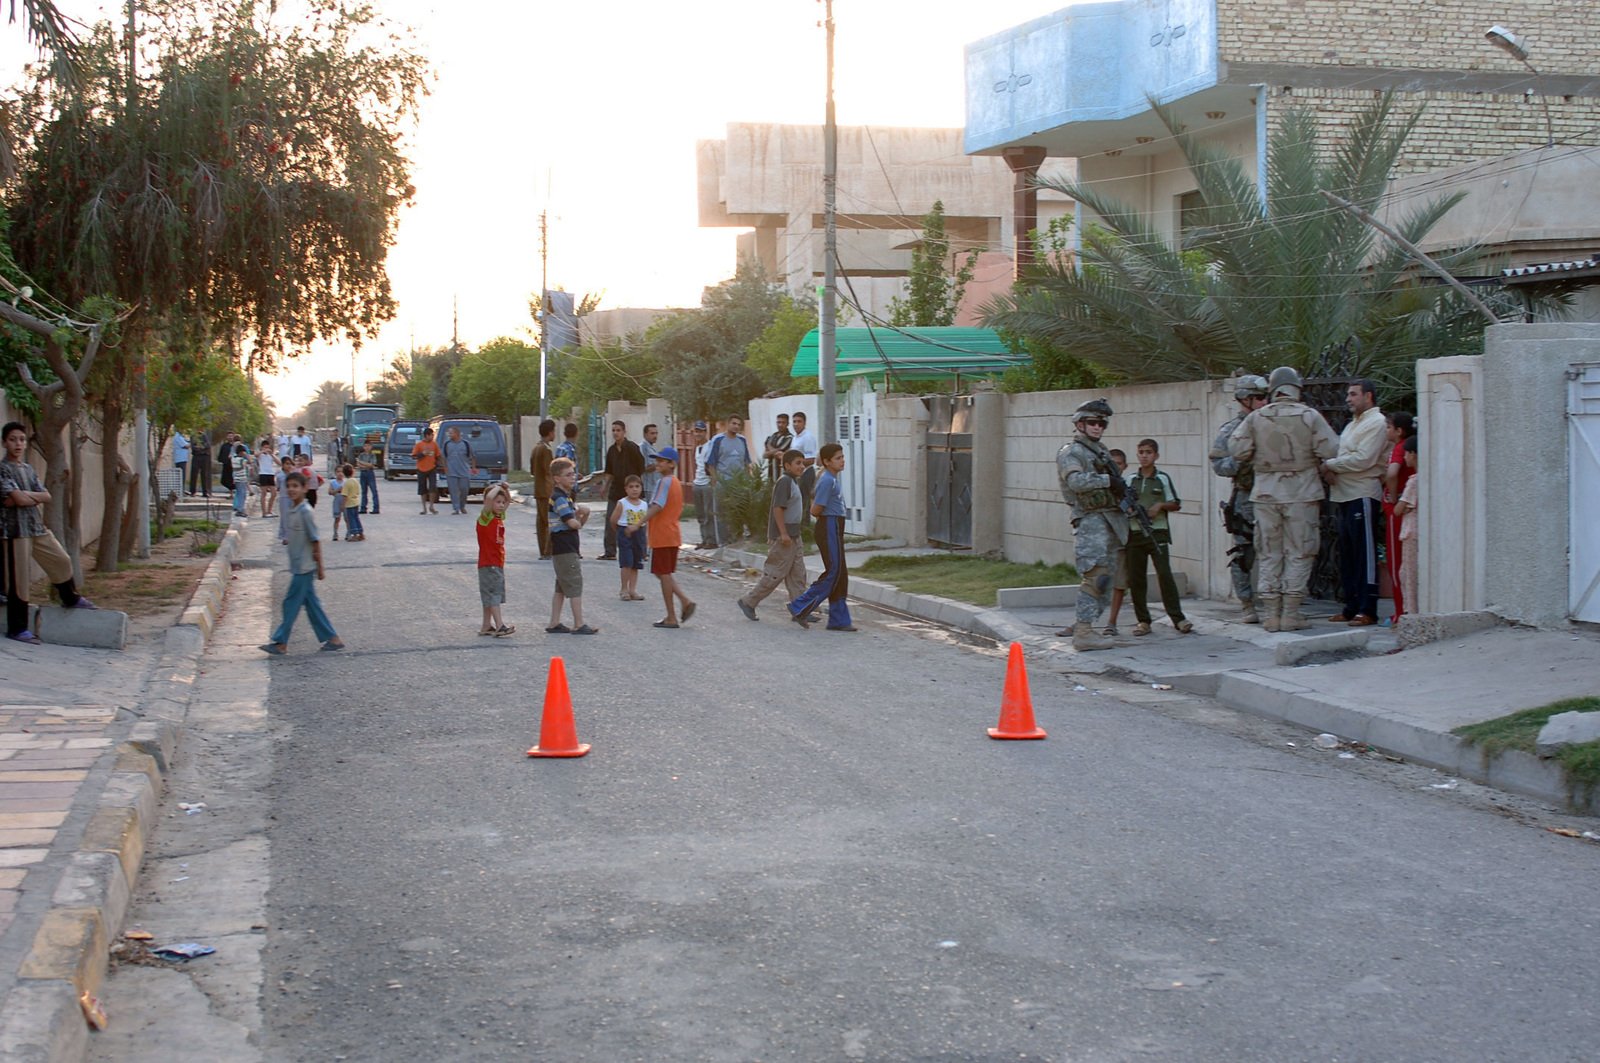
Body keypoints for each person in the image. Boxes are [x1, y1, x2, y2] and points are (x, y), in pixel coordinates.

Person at [1228, 366, 1340, 631]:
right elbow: (1331, 448)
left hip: (1265, 493)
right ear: (1297, 388)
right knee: (1300, 552)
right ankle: (1291, 613)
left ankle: (1271, 615)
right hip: (1303, 492)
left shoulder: (1257, 417)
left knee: (1269, 552)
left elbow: (1236, 448)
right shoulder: (1310, 416)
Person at [2, 421, 96, 645]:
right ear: (4, 443)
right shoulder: (3, 468)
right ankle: (17, 629)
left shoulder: (28, 469)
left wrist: (22, 497)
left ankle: (69, 598)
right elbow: (21, 499)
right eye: (13, 439)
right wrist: (24, 497)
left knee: (61, 560)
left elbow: (46, 496)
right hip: (16, 532)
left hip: (36, 527)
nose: (18, 444)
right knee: (19, 583)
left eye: (22, 440)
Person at [1055, 399, 1128, 650]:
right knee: (1096, 577)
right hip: (1090, 519)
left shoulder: (1100, 451)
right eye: (1092, 423)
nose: (1098, 427)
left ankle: (1087, 627)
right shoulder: (1071, 452)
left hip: (1109, 519)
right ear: (1079, 424)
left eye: (1102, 423)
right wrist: (1108, 480)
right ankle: (1083, 632)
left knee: (1105, 580)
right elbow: (1076, 482)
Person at [1319, 379, 1387, 626]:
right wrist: (1332, 466)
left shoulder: (1376, 423)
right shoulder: (1351, 426)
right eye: (1348, 394)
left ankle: (1367, 608)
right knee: (1347, 554)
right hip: (1344, 494)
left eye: (1353, 394)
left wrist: (1331, 466)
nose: (1348, 399)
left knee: (1364, 555)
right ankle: (1350, 607)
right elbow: (1342, 454)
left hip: (1363, 493)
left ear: (1368, 396)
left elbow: (1363, 459)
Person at [259, 471, 344, 655]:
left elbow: (315, 540)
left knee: (290, 604)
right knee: (312, 605)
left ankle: (281, 642)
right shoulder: (291, 509)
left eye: (295, 486)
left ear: (305, 488)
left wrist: (320, 568)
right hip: (297, 566)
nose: (291, 490)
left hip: (305, 567)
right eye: (288, 486)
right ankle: (332, 638)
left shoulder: (305, 511)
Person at [1211, 374, 1270, 623]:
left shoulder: (1273, 423)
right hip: (1247, 496)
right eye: (1257, 397)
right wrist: (1240, 459)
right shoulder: (1231, 429)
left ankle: (1276, 603)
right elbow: (1218, 464)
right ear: (1244, 400)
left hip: (1274, 495)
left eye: (1264, 397)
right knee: (1244, 551)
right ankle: (1247, 603)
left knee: (1276, 551)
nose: (1262, 402)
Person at [1126, 439, 1193, 636]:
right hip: (1135, 533)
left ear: (1156, 456)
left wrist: (1159, 506)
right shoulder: (1131, 480)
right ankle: (1143, 621)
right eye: (1141, 452)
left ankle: (1178, 618)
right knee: (1136, 579)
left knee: (1164, 575)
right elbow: (1122, 501)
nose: (1144, 455)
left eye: (1148, 452)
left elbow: (1176, 503)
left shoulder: (1162, 478)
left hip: (1157, 532)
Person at [789, 442, 853, 631]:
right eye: (838, 458)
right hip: (828, 526)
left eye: (842, 457)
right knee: (834, 572)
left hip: (835, 527)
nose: (842, 461)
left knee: (840, 574)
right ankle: (800, 606)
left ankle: (838, 619)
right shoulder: (827, 480)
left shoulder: (832, 479)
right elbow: (816, 510)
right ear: (826, 462)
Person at [738, 449, 808, 622]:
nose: (802, 466)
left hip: (794, 534)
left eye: (803, 463)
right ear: (787, 465)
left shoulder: (793, 482)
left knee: (798, 574)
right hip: (785, 537)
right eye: (798, 463)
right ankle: (749, 601)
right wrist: (782, 534)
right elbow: (778, 508)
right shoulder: (784, 482)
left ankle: (800, 608)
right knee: (775, 573)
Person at [644, 446, 695, 628]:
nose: (657, 463)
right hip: (670, 533)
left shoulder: (664, 482)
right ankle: (684, 600)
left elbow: (657, 506)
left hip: (662, 534)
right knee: (661, 572)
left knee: (663, 574)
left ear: (671, 464)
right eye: (657, 460)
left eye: (661, 461)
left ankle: (671, 616)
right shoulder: (675, 483)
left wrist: (638, 523)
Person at [546, 457, 597, 634]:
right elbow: (572, 524)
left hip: (563, 547)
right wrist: (581, 515)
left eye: (573, 473)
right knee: (574, 584)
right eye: (567, 475)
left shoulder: (564, 498)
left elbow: (575, 522)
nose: (572, 477)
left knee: (561, 586)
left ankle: (554, 622)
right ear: (556, 478)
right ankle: (579, 623)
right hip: (565, 547)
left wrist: (581, 515)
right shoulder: (559, 498)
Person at [1383, 411, 1416, 621]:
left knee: (1396, 564)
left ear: (1399, 431)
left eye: (1388, 427)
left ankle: (1399, 613)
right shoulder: (1404, 446)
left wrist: (1393, 498)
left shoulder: (1399, 448)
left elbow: (1392, 473)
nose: (1386, 430)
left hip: (1398, 512)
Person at [705, 414, 754, 546]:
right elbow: (711, 463)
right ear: (728, 424)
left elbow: (746, 462)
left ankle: (736, 538)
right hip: (722, 482)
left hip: (738, 483)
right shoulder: (718, 440)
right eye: (734, 423)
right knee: (721, 513)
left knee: (738, 511)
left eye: (739, 424)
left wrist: (748, 480)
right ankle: (722, 541)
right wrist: (715, 480)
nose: (736, 426)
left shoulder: (742, 440)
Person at [599, 421, 644, 560]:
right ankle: (610, 551)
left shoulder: (632, 448)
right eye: (613, 430)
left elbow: (640, 468)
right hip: (616, 490)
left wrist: (635, 487)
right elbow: (609, 471)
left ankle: (639, 550)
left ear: (624, 432)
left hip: (630, 491)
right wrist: (604, 486)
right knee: (611, 520)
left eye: (618, 430)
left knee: (633, 520)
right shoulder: (612, 450)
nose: (615, 433)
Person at [477, 482, 513, 636]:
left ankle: (486, 625)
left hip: (496, 562)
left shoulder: (498, 517)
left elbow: (508, 502)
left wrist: (505, 490)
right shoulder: (485, 518)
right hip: (489, 563)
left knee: (489, 594)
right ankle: (499, 625)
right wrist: (498, 486)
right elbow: (490, 497)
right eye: (497, 502)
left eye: (502, 502)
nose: (501, 505)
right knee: (494, 595)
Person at [1102, 449, 1130, 636]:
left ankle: (1112, 622)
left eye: (1119, 464)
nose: (1116, 467)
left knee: (1119, 584)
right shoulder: (1099, 487)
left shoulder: (1127, 487)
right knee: (1094, 583)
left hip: (1120, 540)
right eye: (1113, 463)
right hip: (1100, 542)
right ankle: (1083, 622)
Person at [610, 474, 649, 602]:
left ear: (641, 488)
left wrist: (645, 538)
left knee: (636, 563)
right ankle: (624, 589)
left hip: (639, 534)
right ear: (626, 489)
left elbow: (645, 522)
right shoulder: (622, 503)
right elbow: (613, 520)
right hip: (625, 533)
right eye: (631, 487)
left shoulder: (644, 504)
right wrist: (620, 532)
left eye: (637, 486)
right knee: (626, 562)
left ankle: (633, 589)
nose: (634, 489)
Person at [1393, 436, 1420, 617]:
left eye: (1406, 454)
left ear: (1413, 454)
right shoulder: (1425, 479)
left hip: (1411, 532)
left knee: (1408, 576)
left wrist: (1393, 500)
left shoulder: (1414, 481)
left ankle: (1411, 613)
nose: (1404, 458)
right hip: (1418, 531)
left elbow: (1398, 509)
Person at [790, 410, 819, 534]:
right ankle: (799, 527)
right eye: (794, 421)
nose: (796, 424)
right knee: (797, 501)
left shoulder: (807, 437)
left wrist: (795, 466)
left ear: (804, 423)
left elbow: (811, 459)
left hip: (806, 473)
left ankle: (805, 528)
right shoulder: (795, 438)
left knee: (804, 501)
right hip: (797, 474)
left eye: (799, 421)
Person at [531, 419, 556, 559]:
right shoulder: (546, 449)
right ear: (550, 432)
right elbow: (548, 471)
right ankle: (547, 551)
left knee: (541, 521)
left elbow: (533, 470)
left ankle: (543, 550)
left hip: (538, 489)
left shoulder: (536, 447)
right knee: (548, 521)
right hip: (547, 490)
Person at [691, 422, 716, 548]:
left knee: (708, 512)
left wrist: (713, 480)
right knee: (700, 513)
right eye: (696, 431)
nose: (698, 434)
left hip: (706, 482)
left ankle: (711, 539)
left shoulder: (710, 445)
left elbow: (711, 465)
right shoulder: (697, 447)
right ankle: (704, 538)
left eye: (700, 431)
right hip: (697, 482)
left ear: (705, 432)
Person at [441, 425, 476, 515]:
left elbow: (473, 457)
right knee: (453, 491)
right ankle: (456, 508)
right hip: (451, 472)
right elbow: (443, 457)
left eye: (451, 433)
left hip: (464, 471)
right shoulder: (447, 444)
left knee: (464, 489)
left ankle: (462, 506)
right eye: (449, 433)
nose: (449, 434)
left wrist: (473, 468)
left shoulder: (466, 444)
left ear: (457, 433)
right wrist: (445, 468)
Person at [412, 427, 441, 514]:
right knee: (422, 489)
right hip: (421, 469)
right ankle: (424, 508)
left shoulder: (434, 445)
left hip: (432, 468)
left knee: (433, 487)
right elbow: (414, 456)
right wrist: (422, 454)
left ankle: (431, 506)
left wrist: (441, 465)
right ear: (427, 435)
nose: (432, 437)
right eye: (431, 435)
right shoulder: (419, 445)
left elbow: (438, 455)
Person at [763, 413, 793, 484]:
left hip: (782, 473)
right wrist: (773, 451)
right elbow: (764, 455)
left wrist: (769, 446)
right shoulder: (773, 436)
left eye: (783, 422)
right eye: (778, 422)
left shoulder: (789, 437)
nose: (780, 425)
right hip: (770, 473)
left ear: (787, 423)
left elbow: (780, 450)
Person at [340, 464, 364, 541]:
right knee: (356, 518)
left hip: (349, 504)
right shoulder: (355, 481)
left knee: (351, 519)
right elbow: (358, 492)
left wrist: (342, 505)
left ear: (344, 473)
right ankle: (361, 534)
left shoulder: (347, 483)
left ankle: (354, 535)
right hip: (356, 502)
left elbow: (345, 495)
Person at [256, 439, 280, 518]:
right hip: (263, 474)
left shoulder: (271, 455)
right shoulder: (260, 455)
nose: (267, 449)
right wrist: (263, 451)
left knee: (274, 493)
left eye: (268, 447)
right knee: (264, 493)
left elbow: (279, 463)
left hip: (270, 474)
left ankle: (269, 510)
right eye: (265, 447)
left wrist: (272, 454)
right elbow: (256, 455)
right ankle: (264, 512)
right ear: (262, 447)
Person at [639, 423, 663, 503]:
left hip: (654, 485)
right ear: (645, 435)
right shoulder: (643, 447)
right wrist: (659, 463)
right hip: (647, 487)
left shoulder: (652, 447)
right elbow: (643, 468)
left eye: (656, 433)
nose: (655, 436)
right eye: (652, 433)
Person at [355, 442, 380, 514]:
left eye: (368, 446)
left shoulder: (372, 455)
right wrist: (366, 465)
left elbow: (372, 465)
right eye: (365, 446)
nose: (367, 447)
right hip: (363, 473)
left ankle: (376, 508)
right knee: (363, 491)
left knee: (374, 491)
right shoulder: (361, 455)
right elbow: (358, 465)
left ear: (371, 447)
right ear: (363, 447)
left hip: (370, 473)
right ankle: (363, 508)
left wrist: (362, 463)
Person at [189, 428, 212, 497]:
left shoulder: (204, 436)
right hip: (196, 456)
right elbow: (193, 447)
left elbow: (207, 445)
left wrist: (200, 447)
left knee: (204, 474)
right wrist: (201, 448)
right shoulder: (193, 436)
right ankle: (193, 492)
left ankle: (205, 492)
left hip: (204, 457)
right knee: (194, 474)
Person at [231, 442, 251, 516]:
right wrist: (246, 455)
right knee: (242, 495)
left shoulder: (233, 459)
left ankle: (240, 508)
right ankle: (240, 510)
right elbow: (249, 461)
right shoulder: (241, 460)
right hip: (241, 479)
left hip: (236, 479)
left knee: (239, 494)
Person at [328, 464, 346, 539]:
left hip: (345, 501)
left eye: (342, 472)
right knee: (337, 518)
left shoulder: (346, 482)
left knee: (347, 518)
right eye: (338, 471)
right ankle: (335, 533)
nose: (340, 473)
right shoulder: (333, 482)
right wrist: (336, 490)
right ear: (335, 473)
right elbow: (329, 492)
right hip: (337, 500)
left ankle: (348, 533)